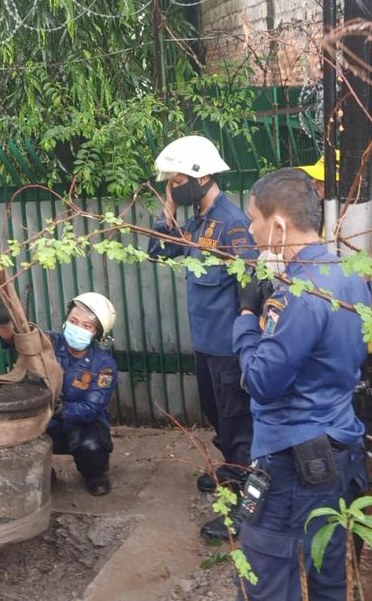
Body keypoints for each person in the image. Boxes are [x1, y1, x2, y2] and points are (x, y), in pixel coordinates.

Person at [230, 168, 370, 600]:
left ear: (277, 226)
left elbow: (260, 381)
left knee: (267, 575)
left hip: (292, 463)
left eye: (253, 220)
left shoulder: (301, 294)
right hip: (336, 453)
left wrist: (246, 317)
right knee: (325, 568)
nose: (250, 232)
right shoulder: (351, 278)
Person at [145, 135, 258, 533]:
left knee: (237, 423)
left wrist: (247, 344)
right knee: (218, 416)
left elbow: (253, 284)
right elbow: (157, 252)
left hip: (229, 347)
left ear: (201, 176)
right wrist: (169, 210)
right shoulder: (196, 221)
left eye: (176, 182)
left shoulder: (233, 223)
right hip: (206, 344)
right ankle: (232, 470)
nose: (172, 188)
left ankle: (244, 510)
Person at [300, 156, 372, 516]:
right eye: (317, 185)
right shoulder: (319, 235)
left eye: (322, 185)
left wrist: (359, 326)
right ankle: (353, 492)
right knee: (348, 427)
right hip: (336, 352)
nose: (317, 190)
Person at [0, 292, 119, 496]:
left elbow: (92, 408)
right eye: (73, 321)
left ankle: (95, 474)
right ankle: (42, 472)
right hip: (48, 422)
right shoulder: (50, 342)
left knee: (91, 447)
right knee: (18, 434)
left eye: (86, 326)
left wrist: (62, 409)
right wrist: (4, 324)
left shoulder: (104, 365)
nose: (77, 328)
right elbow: (21, 341)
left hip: (82, 425)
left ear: (97, 333)